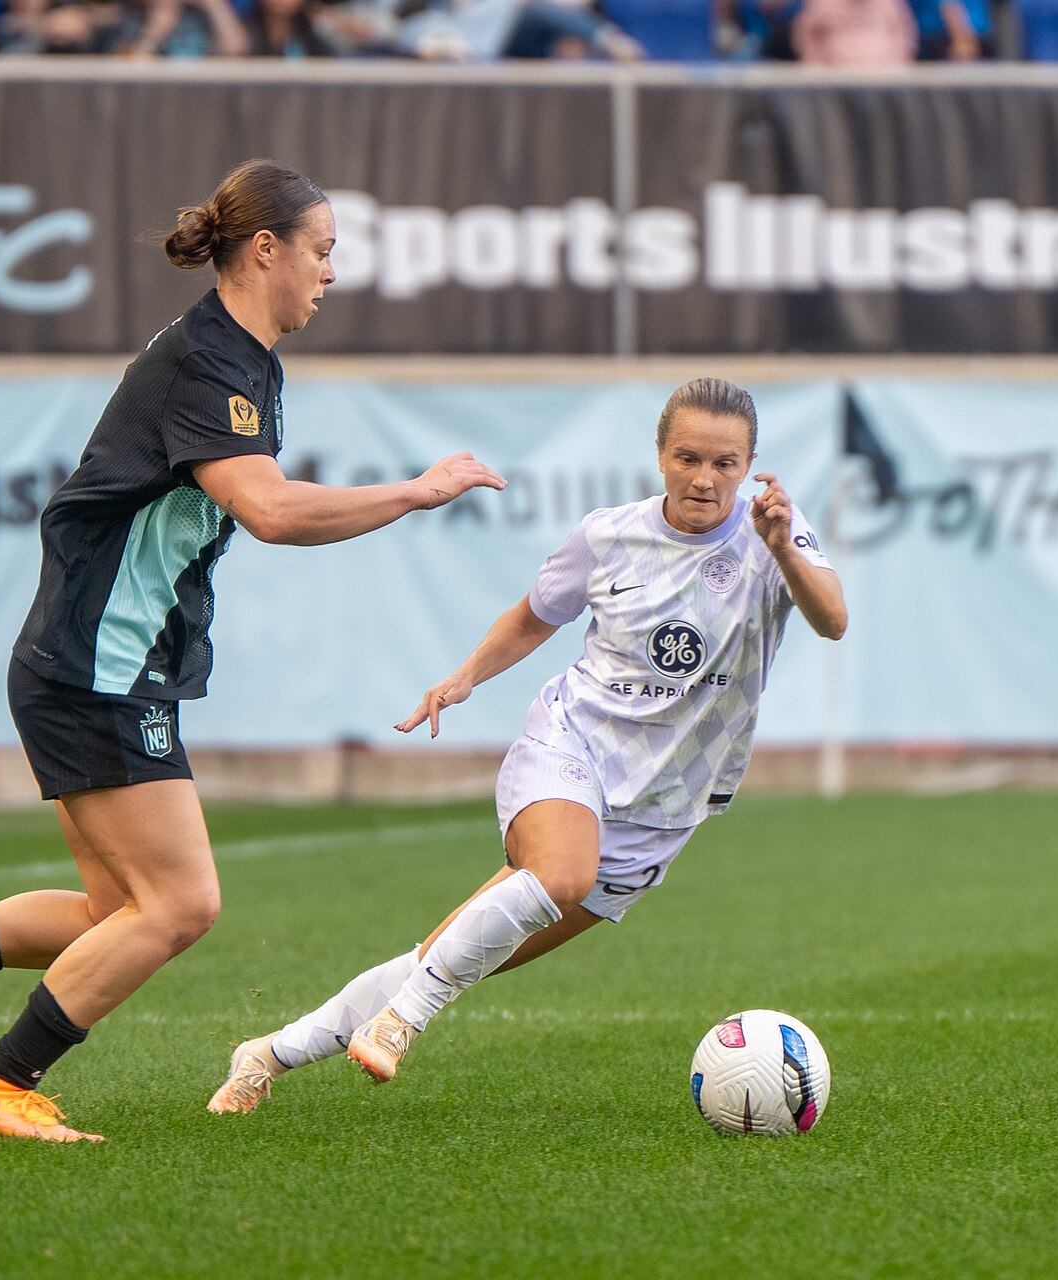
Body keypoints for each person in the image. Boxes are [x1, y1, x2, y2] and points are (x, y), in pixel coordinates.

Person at [0, 159, 505, 1145]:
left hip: (97, 659)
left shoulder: (242, 358)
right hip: (99, 665)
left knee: (117, 907)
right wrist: (414, 491)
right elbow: (269, 510)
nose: (331, 272)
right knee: (179, 904)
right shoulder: (209, 361)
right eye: (321, 250)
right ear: (264, 248)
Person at [207, 377, 848, 1114]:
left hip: (662, 808)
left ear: (749, 465)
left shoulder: (775, 535)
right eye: (688, 458)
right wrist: (463, 679)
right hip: (573, 745)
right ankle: (404, 1021)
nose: (704, 478)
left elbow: (832, 619)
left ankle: (267, 1055)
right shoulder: (608, 535)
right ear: (661, 455)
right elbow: (533, 616)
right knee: (560, 876)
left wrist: (783, 550)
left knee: (450, 955)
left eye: (724, 463)